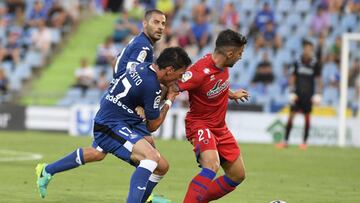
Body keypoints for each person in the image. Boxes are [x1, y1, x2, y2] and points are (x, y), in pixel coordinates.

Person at [35, 47, 192, 202]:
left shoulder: (144, 66)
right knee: (150, 157)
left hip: (118, 117)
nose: (178, 80)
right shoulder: (152, 85)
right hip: (109, 125)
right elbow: (153, 125)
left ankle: (47, 170)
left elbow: (118, 64)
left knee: (161, 166)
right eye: (179, 75)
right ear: (170, 70)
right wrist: (170, 100)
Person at [177, 29, 249, 202]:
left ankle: (196, 199)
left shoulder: (223, 66)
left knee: (237, 175)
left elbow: (215, 85)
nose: (240, 57)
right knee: (211, 165)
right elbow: (173, 86)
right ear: (230, 53)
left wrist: (231, 94)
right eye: (240, 53)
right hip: (200, 124)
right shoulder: (199, 71)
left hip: (220, 128)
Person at [276, 40, 322, 150]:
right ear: (303, 49)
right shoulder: (297, 62)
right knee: (291, 116)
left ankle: (304, 142)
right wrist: (291, 91)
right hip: (297, 94)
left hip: (308, 96)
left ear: (312, 50)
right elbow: (292, 77)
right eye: (306, 48)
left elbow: (319, 79)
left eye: (310, 49)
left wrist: (318, 94)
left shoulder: (315, 64)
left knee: (307, 118)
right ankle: (285, 141)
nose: (307, 51)